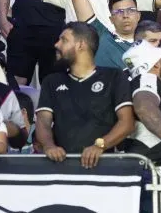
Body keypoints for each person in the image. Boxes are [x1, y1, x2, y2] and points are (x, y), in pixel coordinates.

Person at [36, 22, 136, 168]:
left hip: (105, 166)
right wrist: (49, 147)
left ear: (81, 45)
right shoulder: (51, 81)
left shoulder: (114, 76)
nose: (57, 44)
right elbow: (43, 121)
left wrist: (100, 146)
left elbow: (127, 123)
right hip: (62, 165)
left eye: (63, 40)